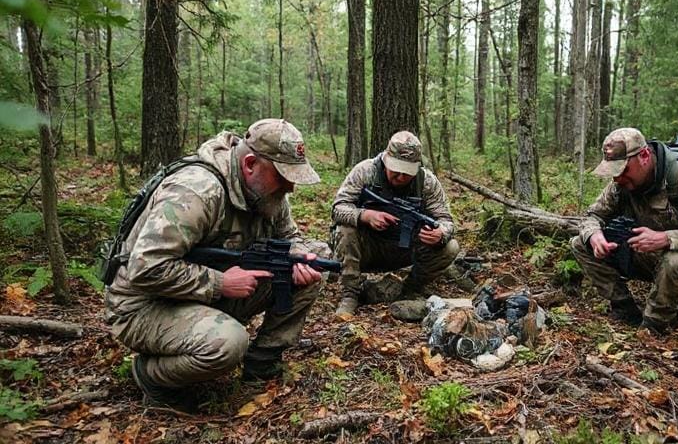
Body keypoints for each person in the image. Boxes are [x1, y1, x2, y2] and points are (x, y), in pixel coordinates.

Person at [104, 119, 330, 412]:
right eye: (283, 175)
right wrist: (220, 283)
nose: (291, 186)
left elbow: (290, 236)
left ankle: (262, 362)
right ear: (250, 164)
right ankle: (152, 376)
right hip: (144, 305)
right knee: (229, 343)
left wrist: (298, 255)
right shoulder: (197, 191)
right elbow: (145, 268)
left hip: (199, 293)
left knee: (310, 267)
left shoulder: (268, 193)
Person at [570, 127, 678, 334]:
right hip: (655, 258)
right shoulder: (621, 184)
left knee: (676, 261)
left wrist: (666, 238)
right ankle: (624, 309)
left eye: (622, 170)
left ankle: (653, 327)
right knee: (581, 243)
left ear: (644, 156)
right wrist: (594, 235)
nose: (617, 179)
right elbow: (591, 216)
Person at [331, 131, 459, 319]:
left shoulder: (427, 182)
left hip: (406, 249)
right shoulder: (365, 171)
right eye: (395, 170)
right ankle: (350, 294)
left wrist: (441, 233)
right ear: (386, 158)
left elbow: (446, 220)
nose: (400, 177)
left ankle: (410, 290)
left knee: (450, 247)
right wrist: (365, 215)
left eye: (406, 173)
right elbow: (338, 209)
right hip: (367, 247)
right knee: (345, 229)